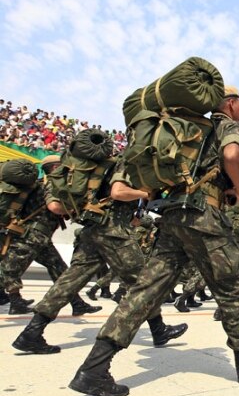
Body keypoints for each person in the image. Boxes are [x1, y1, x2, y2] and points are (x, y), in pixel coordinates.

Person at [68, 85, 239, 396]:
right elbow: (232, 155)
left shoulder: (184, 131)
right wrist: (238, 188)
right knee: (231, 286)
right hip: (204, 218)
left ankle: (94, 368)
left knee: (145, 289)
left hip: (171, 219)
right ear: (232, 103)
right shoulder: (225, 125)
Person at [12, 145, 186, 355]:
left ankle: (32, 332)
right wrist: (144, 194)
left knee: (69, 282)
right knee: (144, 282)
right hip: (113, 233)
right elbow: (118, 192)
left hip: (94, 230)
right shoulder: (126, 163)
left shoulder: (105, 168)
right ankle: (158, 330)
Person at [1, 155, 97, 315]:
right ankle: (16, 302)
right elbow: (54, 207)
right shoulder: (51, 184)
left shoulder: (39, 185)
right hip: (33, 236)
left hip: (38, 238)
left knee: (59, 269)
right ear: (54, 168)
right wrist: (73, 210)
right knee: (8, 271)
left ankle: (77, 303)